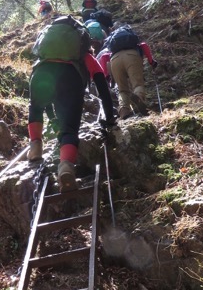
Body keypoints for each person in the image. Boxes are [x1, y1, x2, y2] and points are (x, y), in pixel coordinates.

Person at [27, 15, 116, 192]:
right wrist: (110, 117)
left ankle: (35, 147)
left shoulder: (45, 52)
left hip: (40, 74)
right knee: (69, 129)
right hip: (70, 79)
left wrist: (53, 120)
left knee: (35, 108)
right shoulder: (84, 55)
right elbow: (102, 86)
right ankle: (66, 167)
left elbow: (44, 103)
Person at [97, 25, 157, 119]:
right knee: (137, 84)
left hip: (115, 60)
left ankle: (124, 111)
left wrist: (106, 74)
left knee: (122, 90)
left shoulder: (114, 46)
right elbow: (144, 45)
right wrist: (152, 62)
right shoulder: (133, 42)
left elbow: (104, 57)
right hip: (132, 56)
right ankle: (138, 98)